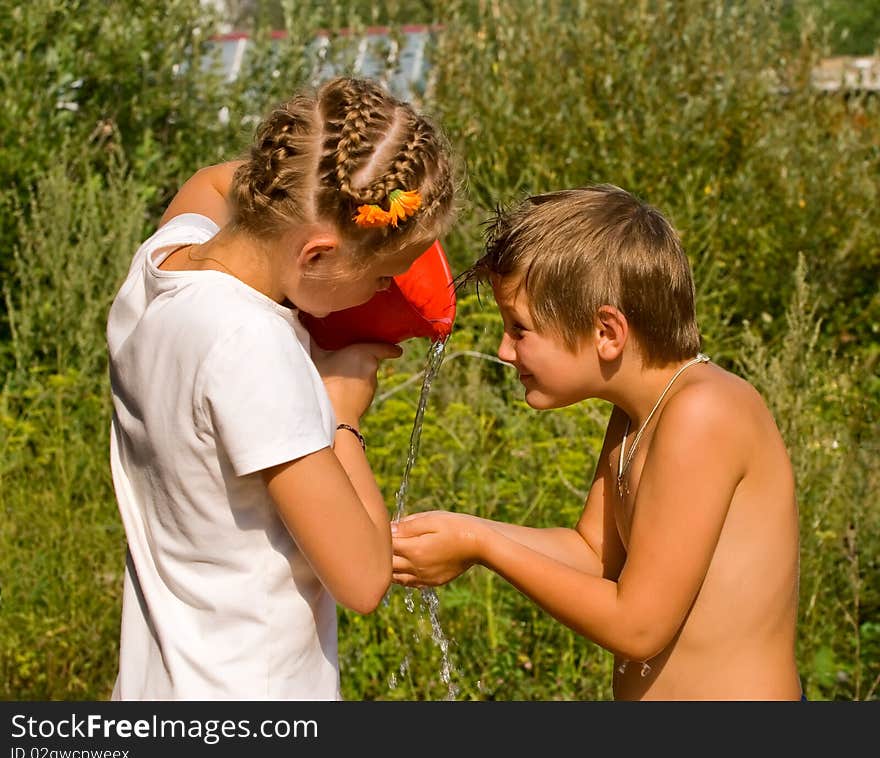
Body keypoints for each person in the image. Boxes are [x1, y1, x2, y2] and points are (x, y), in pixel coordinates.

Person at [106, 76, 457, 699]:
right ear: (316, 254)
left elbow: (213, 183)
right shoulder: (252, 349)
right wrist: (343, 413)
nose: (383, 294)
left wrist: (323, 177)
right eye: (381, 277)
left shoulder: (161, 264)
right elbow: (364, 577)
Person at [391, 185, 803, 700]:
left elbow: (638, 629)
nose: (503, 349)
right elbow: (592, 553)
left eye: (519, 329)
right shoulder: (639, 414)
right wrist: (461, 530)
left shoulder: (703, 414)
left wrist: (484, 547)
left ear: (607, 331)